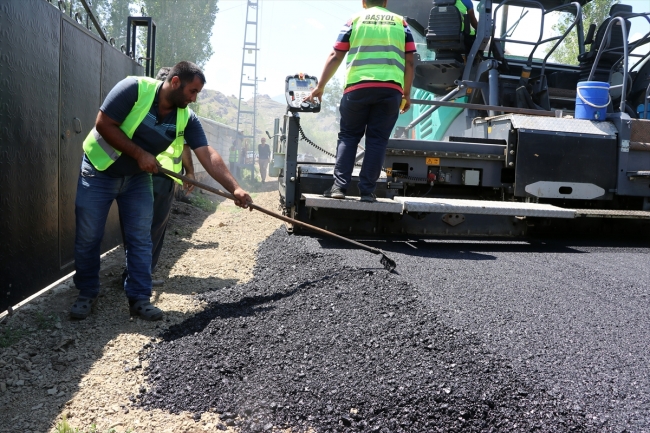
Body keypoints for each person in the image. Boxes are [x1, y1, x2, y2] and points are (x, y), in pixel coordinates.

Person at [71, 61, 252, 321]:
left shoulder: (186, 117)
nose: (194, 98)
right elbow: (103, 124)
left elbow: (207, 154)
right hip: (100, 170)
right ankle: (87, 293)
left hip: (136, 178)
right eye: (192, 91)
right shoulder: (133, 89)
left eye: (197, 93)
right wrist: (139, 153)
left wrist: (235, 188)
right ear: (175, 82)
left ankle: (139, 299)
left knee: (141, 238)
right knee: (89, 236)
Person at [307, 0, 415, 203]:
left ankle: (339, 187)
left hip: (357, 88)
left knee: (349, 136)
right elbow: (410, 61)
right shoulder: (401, 23)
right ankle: (367, 192)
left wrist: (320, 86)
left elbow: (335, 55)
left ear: (363, 2)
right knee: (377, 140)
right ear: (386, 2)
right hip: (390, 90)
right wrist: (406, 94)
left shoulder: (354, 20)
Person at [119, 66, 196, 289]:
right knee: (151, 227)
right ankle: (140, 275)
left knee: (144, 227)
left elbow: (184, 144)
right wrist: (188, 173)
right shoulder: (154, 108)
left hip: (162, 177)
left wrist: (188, 173)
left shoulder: (174, 113)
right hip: (156, 177)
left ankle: (135, 273)